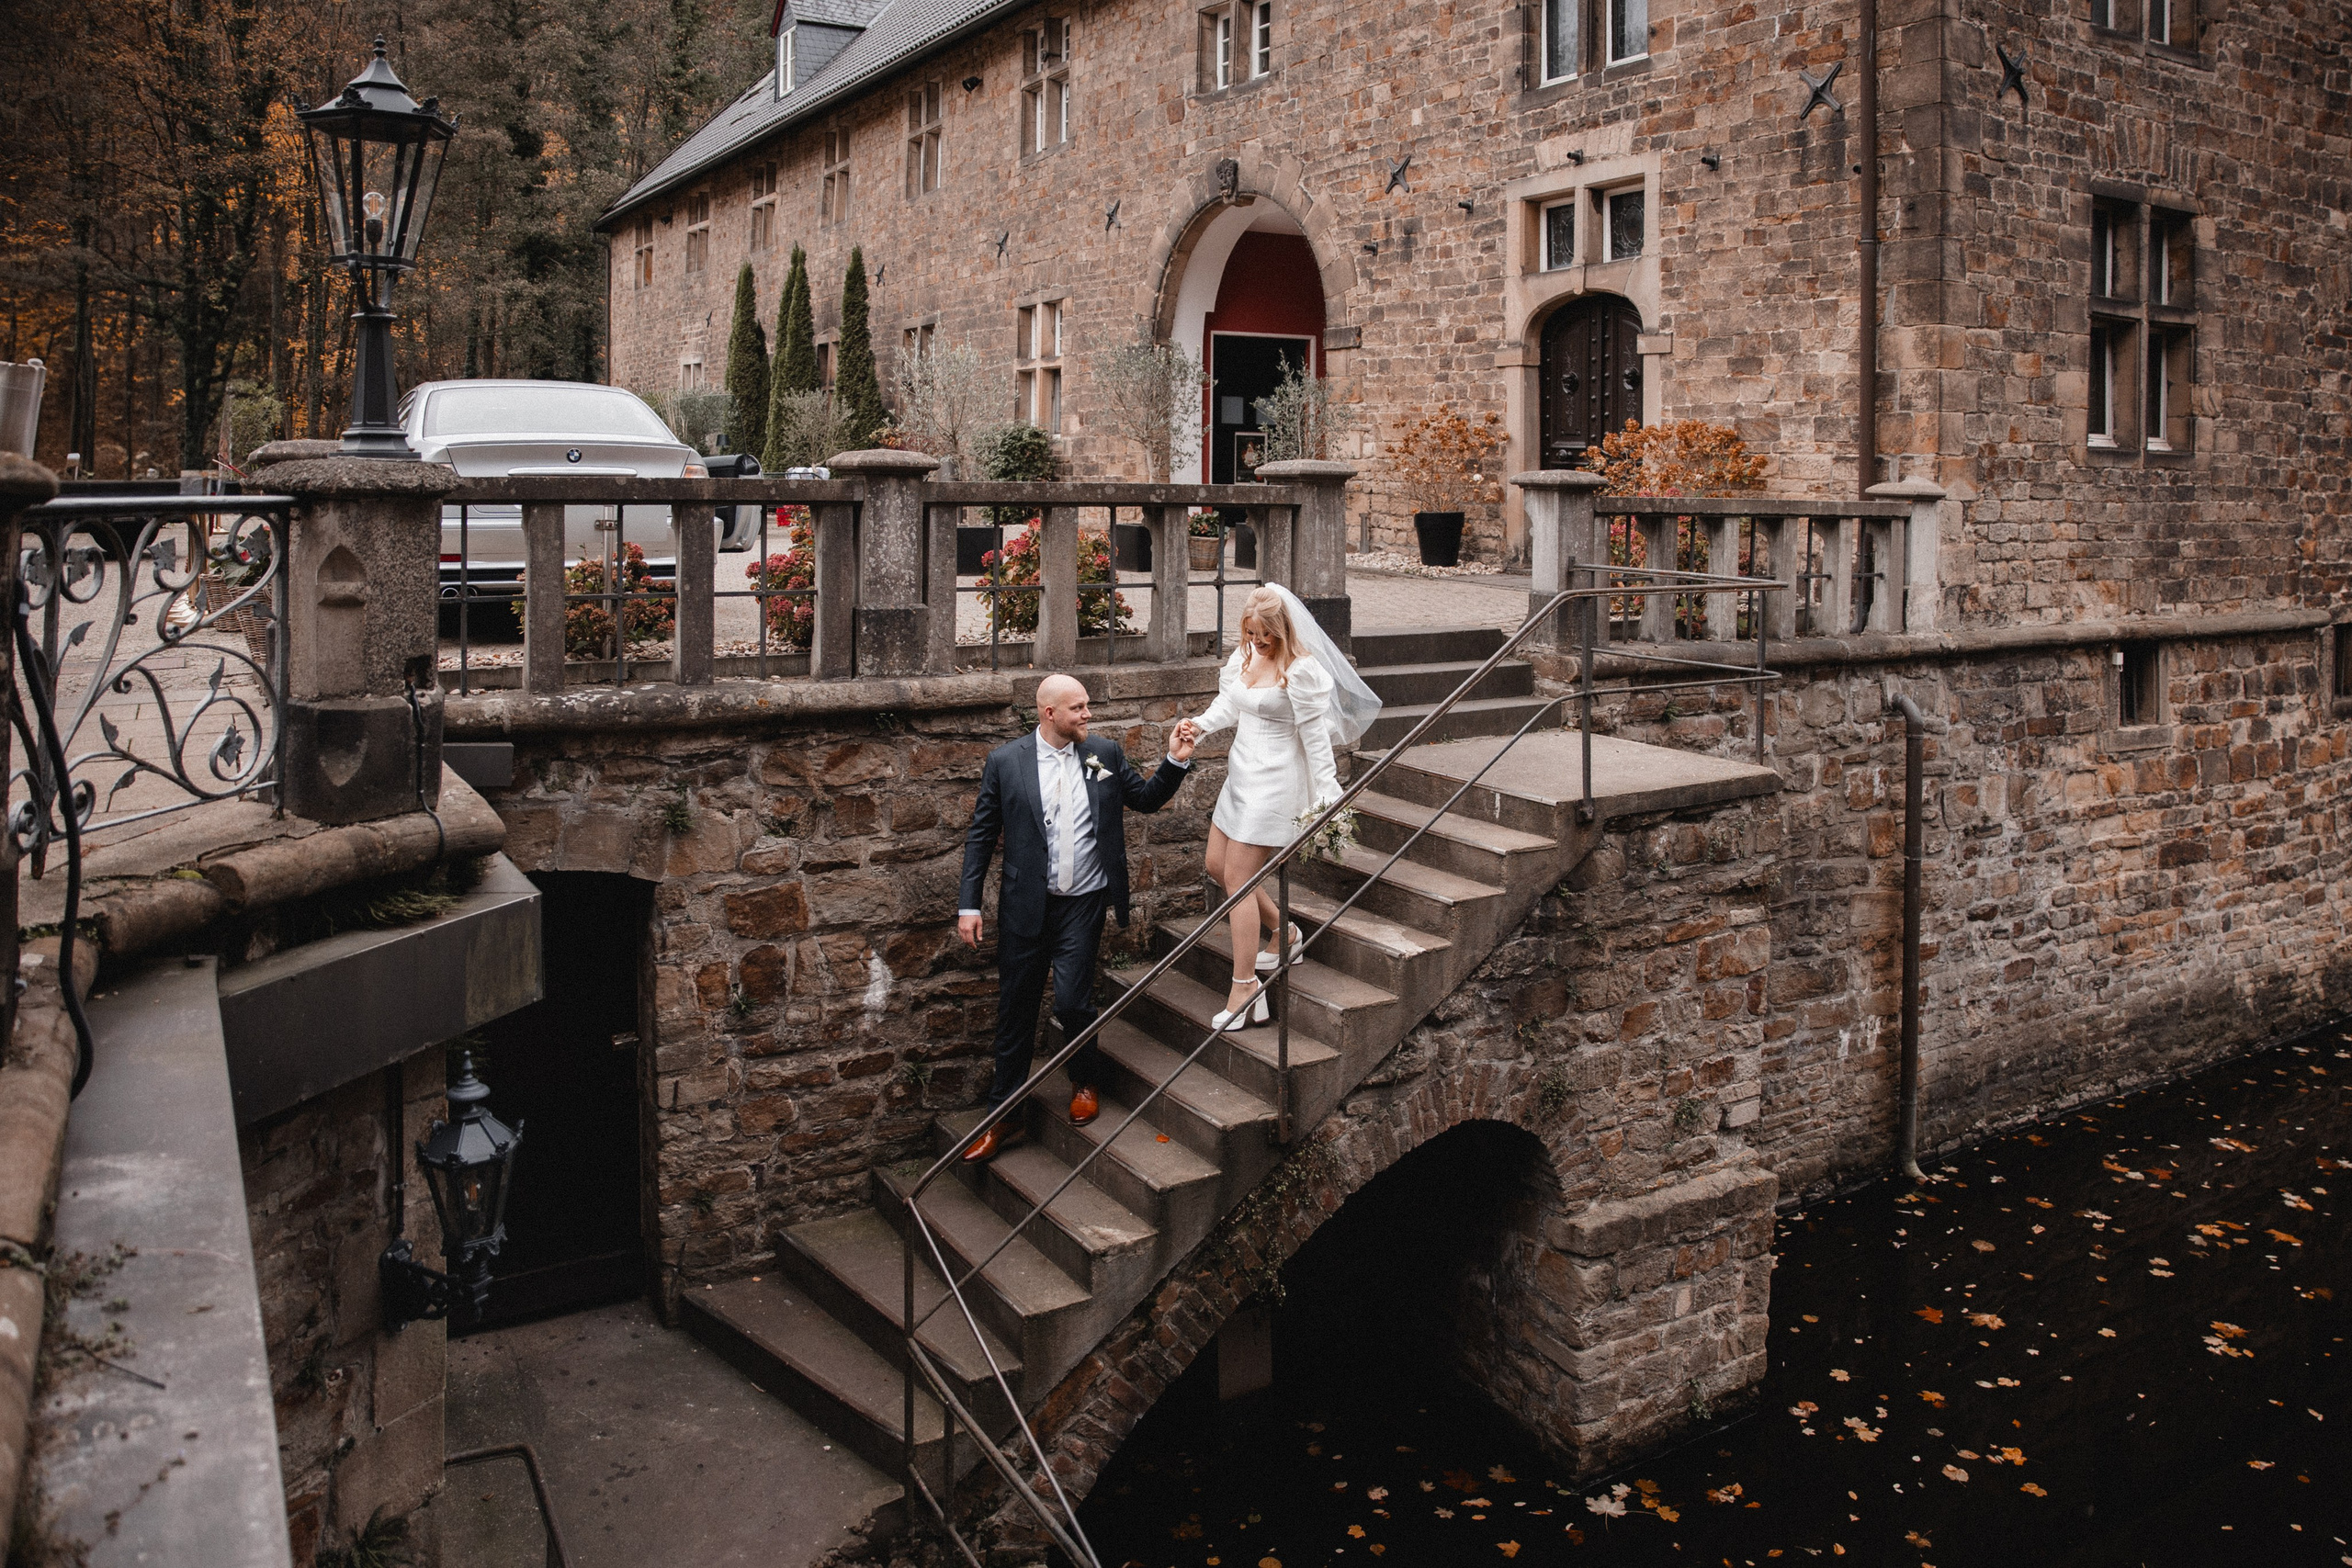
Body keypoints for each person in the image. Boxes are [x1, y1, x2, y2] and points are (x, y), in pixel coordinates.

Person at [956, 672, 1196, 1163]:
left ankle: (1085, 1080)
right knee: (1015, 1011)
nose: (1088, 715)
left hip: (1083, 903)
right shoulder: (1006, 762)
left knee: (1071, 1001)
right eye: (1079, 708)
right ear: (1050, 714)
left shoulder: (1102, 754)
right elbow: (982, 836)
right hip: (1027, 905)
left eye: (1087, 706)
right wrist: (969, 903)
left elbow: (1146, 799)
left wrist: (1175, 760)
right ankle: (1004, 1116)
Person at [1172, 584, 1382, 1032]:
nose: (1258, 642)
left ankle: (1246, 988)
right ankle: (1284, 933)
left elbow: (1315, 738)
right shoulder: (1245, 657)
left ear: (1284, 630)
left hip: (1275, 782)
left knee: (1239, 881)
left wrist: (1328, 794)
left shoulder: (1302, 672)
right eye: (1251, 633)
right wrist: (1198, 727)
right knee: (1215, 865)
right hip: (1241, 775)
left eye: (1266, 635)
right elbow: (1231, 703)